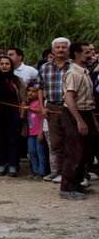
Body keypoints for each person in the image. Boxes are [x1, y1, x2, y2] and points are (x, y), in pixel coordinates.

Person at [58, 41, 98, 199]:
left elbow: (89, 100)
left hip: (86, 112)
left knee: (85, 151)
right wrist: (79, 120)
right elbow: (69, 98)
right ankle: (67, 187)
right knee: (74, 151)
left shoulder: (84, 72)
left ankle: (77, 183)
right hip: (74, 113)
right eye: (87, 52)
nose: (90, 55)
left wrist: (92, 120)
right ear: (77, 54)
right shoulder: (73, 73)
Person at [0, 55, 26, 177]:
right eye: (2, 64)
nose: (4, 66)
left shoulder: (17, 81)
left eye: (7, 64)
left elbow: (23, 99)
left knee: (13, 141)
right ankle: (1, 164)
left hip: (13, 115)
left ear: (11, 66)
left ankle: (13, 165)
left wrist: (22, 114)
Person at [39, 37, 72, 181]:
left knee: (71, 141)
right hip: (51, 107)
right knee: (55, 142)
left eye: (63, 47)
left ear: (68, 50)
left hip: (69, 108)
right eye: (57, 47)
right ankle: (58, 171)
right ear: (53, 50)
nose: (60, 50)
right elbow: (39, 88)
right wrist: (42, 107)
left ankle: (71, 173)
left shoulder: (73, 67)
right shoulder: (45, 67)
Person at [25, 84, 49, 179]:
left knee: (40, 152)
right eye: (29, 91)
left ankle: (42, 171)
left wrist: (40, 132)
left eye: (34, 91)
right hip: (30, 133)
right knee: (31, 151)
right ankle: (35, 170)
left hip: (38, 132)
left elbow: (41, 115)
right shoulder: (28, 103)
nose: (31, 93)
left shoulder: (40, 104)